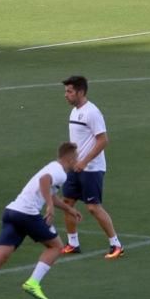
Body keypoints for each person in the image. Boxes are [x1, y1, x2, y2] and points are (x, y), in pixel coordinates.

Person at [0, 142, 82, 299]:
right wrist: (49, 207)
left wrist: (69, 209)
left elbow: (49, 191)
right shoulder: (60, 173)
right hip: (27, 214)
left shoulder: (53, 167)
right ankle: (33, 283)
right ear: (70, 159)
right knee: (56, 246)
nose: (78, 161)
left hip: (11, 212)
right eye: (76, 158)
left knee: (1, 256)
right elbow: (44, 181)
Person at [60, 76, 124, 259]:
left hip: (92, 168)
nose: (66, 95)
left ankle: (116, 245)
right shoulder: (74, 111)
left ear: (80, 92)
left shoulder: (92, 112)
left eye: (69, 91)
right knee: (68, 204)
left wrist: (85, 161)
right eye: (66, 91)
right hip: (75, 167)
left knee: (93, 207)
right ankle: (73, 243)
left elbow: (103, 140)